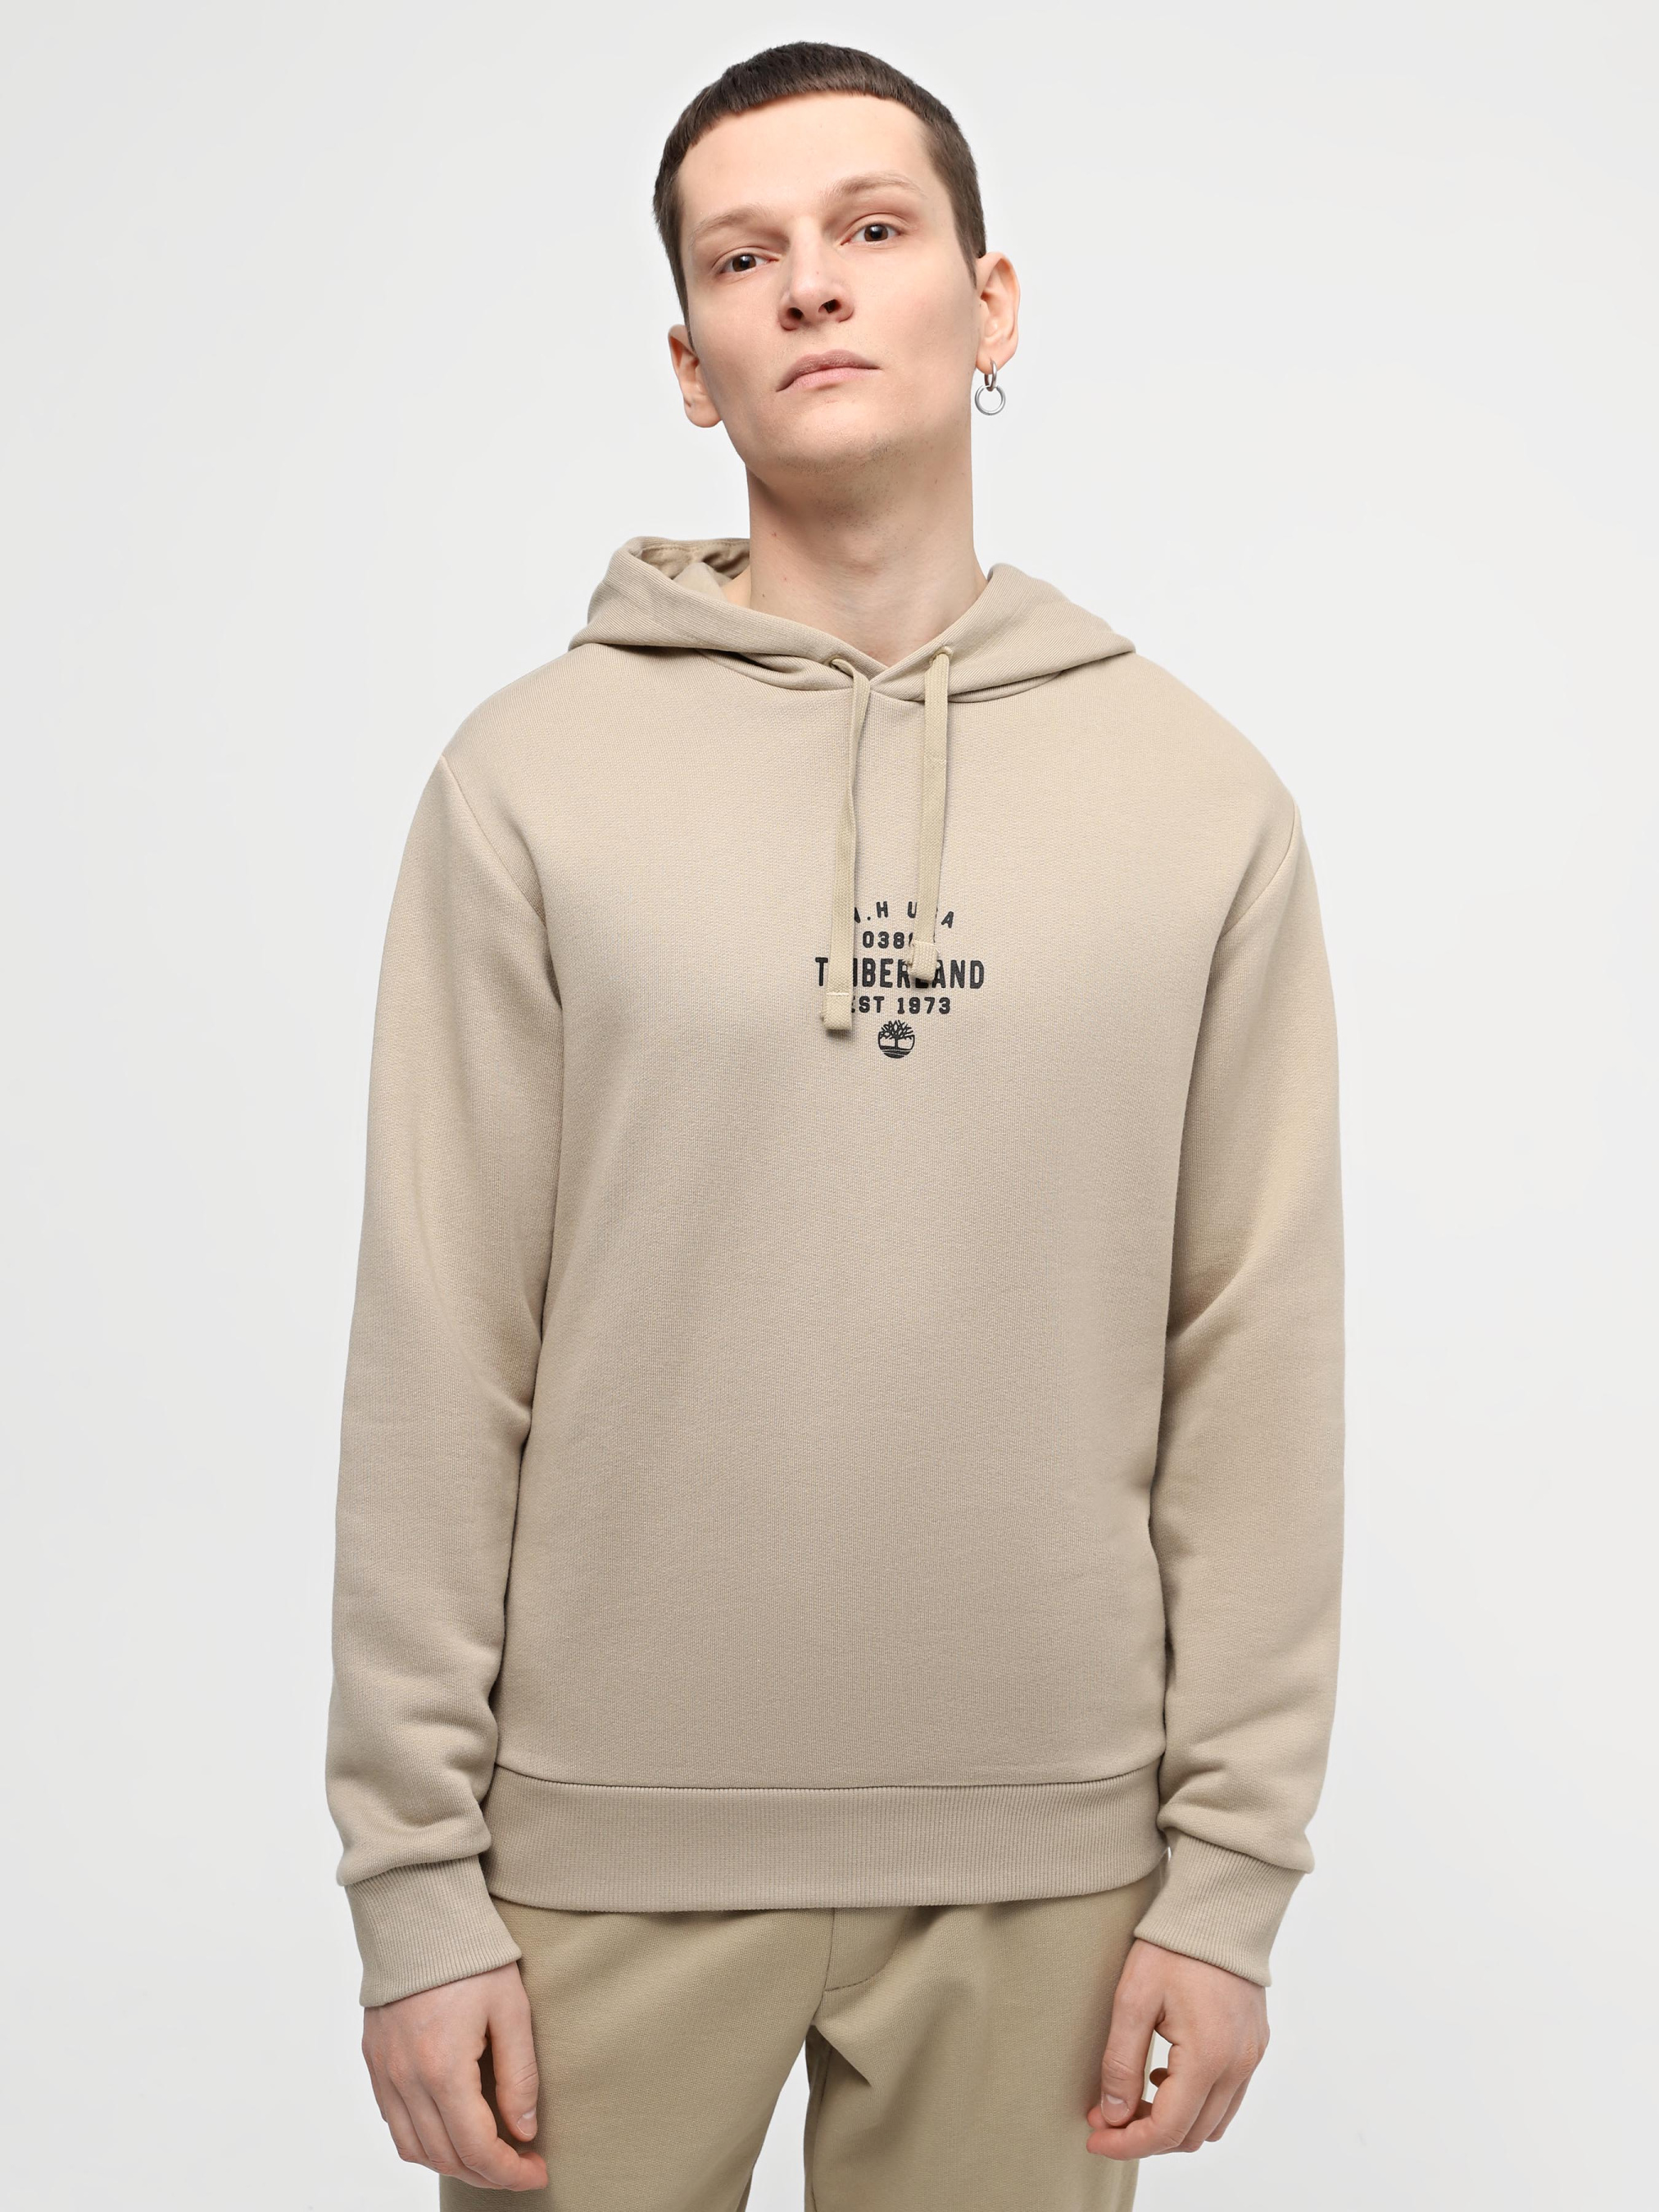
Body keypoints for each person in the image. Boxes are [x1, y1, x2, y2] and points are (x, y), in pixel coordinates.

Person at [324, 39, 1345, 2210]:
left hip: (1053, 1866)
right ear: (689, 364)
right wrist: (413, 1883)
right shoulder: (527, 782)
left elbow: (1252, 1349)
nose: (807, 283)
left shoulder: (1198, 799)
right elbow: (441, 1335)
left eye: (871, 229)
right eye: (741, 255)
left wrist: (1228, 1875)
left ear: (988, 302)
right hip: (595, 1855)